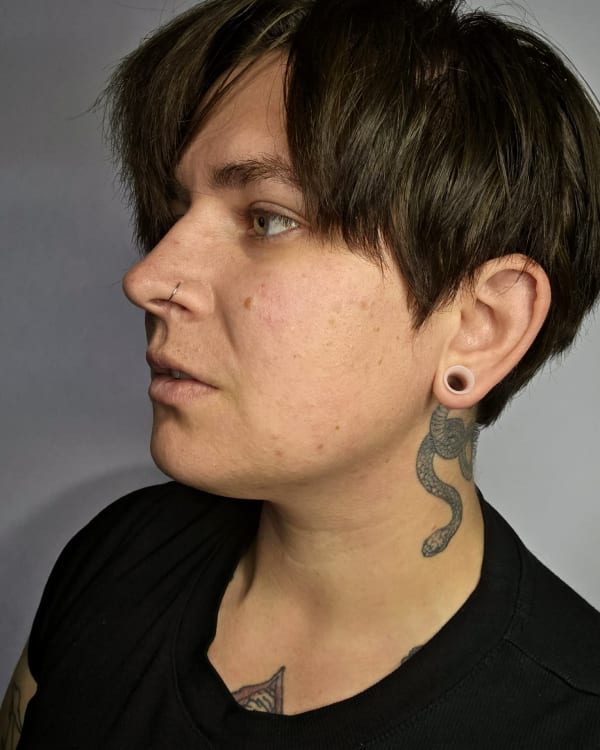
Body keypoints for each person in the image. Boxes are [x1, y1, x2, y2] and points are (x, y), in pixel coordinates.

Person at [2, 0, 600, 746]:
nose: (148, 278)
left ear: (483, 327)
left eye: (267, 219)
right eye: (177, 211)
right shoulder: (119, 559)